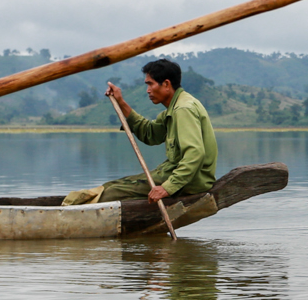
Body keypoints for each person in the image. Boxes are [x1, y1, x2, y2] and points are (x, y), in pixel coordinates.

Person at [61, 58, 218, 205]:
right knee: (112, 185)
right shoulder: (174, 108)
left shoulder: (183, 109)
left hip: (191, 181)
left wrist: (167, 188)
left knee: (112, 193)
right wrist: (121, 102)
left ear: (166, 84)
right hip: (175, 174)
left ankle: (75, 209)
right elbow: (150, 134)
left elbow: (194, 154)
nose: (148, 90)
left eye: (151, 84)